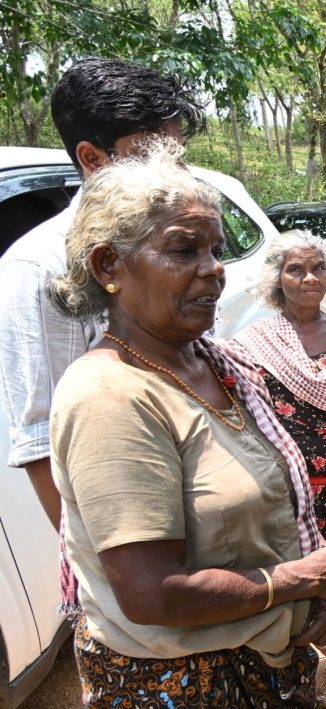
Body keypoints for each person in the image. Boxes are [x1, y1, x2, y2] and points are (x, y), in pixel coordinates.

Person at [48, 141, 326, 709]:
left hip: (266, 666)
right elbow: (150, 592)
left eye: (216, 249)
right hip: (182, 700)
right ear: (110, 264)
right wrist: (301, 580)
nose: (215, 269)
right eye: (185, 250)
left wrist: (315, 595)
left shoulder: (210, 361)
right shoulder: (111, 397)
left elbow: (272, 504)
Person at [0, 57, 204, 529]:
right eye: (151, 153)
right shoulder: (39, 269)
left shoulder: (178, 242)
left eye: (177, 153)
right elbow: (43, 443)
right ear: (92, 159)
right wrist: (104, 576)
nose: (172, 171)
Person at [234, 230, 326, 690]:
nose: (309, 278)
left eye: (317, 268)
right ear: (277, 279)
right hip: (299, 485)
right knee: (311, 572)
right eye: (296, 269)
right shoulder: (255, 342)